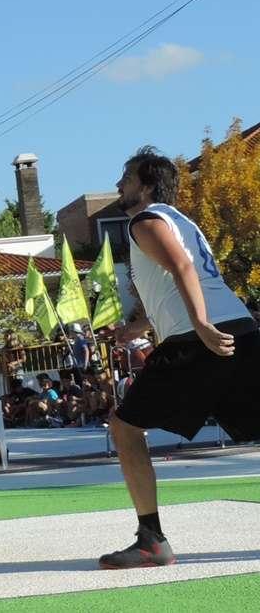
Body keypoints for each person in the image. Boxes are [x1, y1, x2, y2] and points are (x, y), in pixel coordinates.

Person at [100, 146, 260, 569]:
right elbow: (187, 280)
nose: (118, 185)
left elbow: (182, 270)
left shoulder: (145, 221)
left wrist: (202, 325)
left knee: (124, 428)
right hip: (242, 330)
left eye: (126, 178)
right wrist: (140, 326)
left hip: (198, 338)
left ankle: (151, 540)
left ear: (147, 186)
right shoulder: (182, 222)